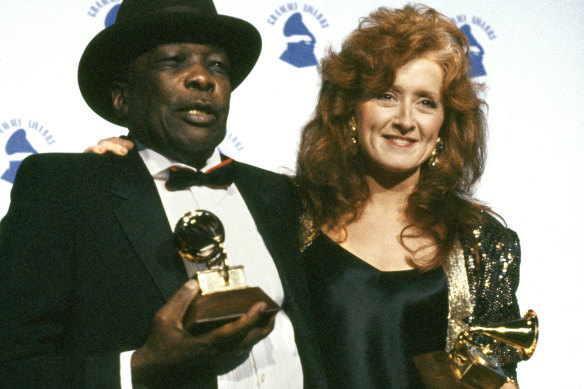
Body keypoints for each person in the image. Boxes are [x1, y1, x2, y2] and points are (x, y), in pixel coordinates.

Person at [87, 4, 525, 389]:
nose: (405, 120)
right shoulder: (290, 209)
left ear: (445, 125)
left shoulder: (481, 242)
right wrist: (129, 159)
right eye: (386, 96)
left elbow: (495, 377)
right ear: (351, 111)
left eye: (426, 102)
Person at [0, 0, 326, 388]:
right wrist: (140, 365)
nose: (203, 78)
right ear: (122, 98)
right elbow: (13, 364)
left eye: (218, 65)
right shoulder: (65, 190)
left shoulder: (278, 195)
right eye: (172, 61)